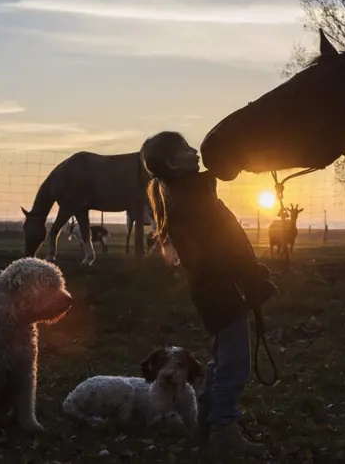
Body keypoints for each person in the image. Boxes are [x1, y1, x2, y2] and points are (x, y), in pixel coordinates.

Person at [141, 131, 278, 459]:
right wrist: (250, 278)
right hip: (224, 291)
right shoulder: (194, 202)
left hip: (217, 292)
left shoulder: (190, 196)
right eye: (186, 149)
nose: (195, 151)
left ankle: (206, 425)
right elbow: (224, 250)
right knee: (236, 364)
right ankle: (223, 431)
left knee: (221, 361)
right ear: (174, 163)